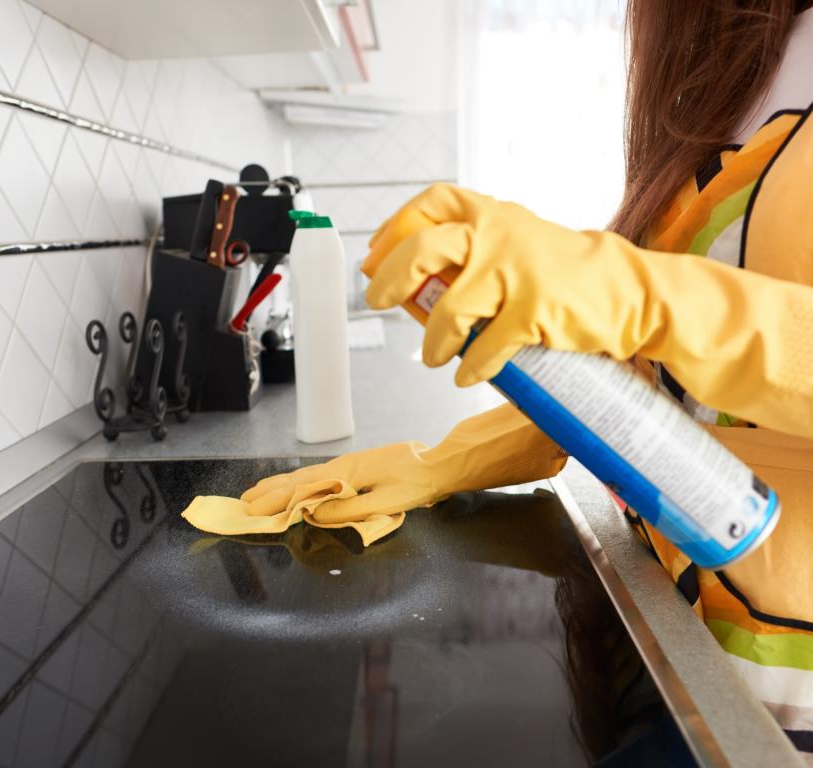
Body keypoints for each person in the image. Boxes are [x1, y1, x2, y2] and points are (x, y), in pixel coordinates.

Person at [217, 0, 813, 760]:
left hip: (787, 705)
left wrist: (638, 296)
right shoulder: (731, 68)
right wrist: (451, 462)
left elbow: (664, 320)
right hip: (676, 649)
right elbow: (650, 385)